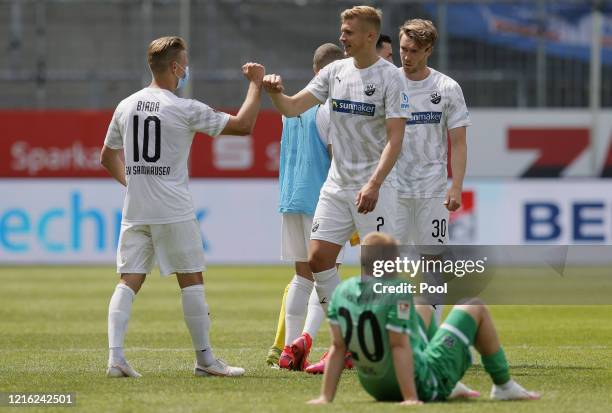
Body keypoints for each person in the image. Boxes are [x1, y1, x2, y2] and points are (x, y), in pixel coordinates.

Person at [100, 36, 264, 378]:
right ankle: (205, 361)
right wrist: (255, 85)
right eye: (184, 64)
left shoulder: (125, 105)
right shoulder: (184, 108)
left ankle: (115, 359)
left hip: (136, 209)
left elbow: (107, 156)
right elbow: (245, 125)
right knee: (191, 280)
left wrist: (133, 184)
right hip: (173, 209)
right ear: (175, 68)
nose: (186, 69)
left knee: (128, 280)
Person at [262, 5, 409, 375]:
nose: (342, 36)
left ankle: (388, 346)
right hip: (336, 186)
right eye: (342, 30)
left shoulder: (391, 78)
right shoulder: (334, 72)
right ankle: (345, 341)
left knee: (379, 271)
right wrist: (276, 94)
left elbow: (395, 139)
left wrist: (375, 182)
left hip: (375, 187)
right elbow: (294, 107)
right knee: (318, 260)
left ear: (371, 36)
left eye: (349, 31)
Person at [307, 232, 541, 404]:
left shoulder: (342, 290)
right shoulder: (397, 290)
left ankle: (447, 376)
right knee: (474, 307)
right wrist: (411, 397)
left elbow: (337, 347)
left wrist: (325, 397)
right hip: (416, 384)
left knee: (422, 306)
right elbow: (399, 347)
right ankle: (504, 386)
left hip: (374, 386)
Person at [265, 43, 347, 371]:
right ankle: (307, 341)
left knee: (302, 277)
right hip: (321, 200)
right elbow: (337, 157)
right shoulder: (328, 109)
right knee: (328, 272)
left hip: (291, 199)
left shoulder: (292, 109)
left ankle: (289, 349)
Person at [394, 19, 471, 322]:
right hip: (393, 190)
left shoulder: (447, 88)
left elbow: (460, 143)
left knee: (432, 263)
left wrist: (456, 186)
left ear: (428, 50)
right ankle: (390, 333)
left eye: (414, 50)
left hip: (432, 190)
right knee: (385, 264)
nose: (406, 56)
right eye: (402, 49)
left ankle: (430, 333)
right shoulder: (388, 82)